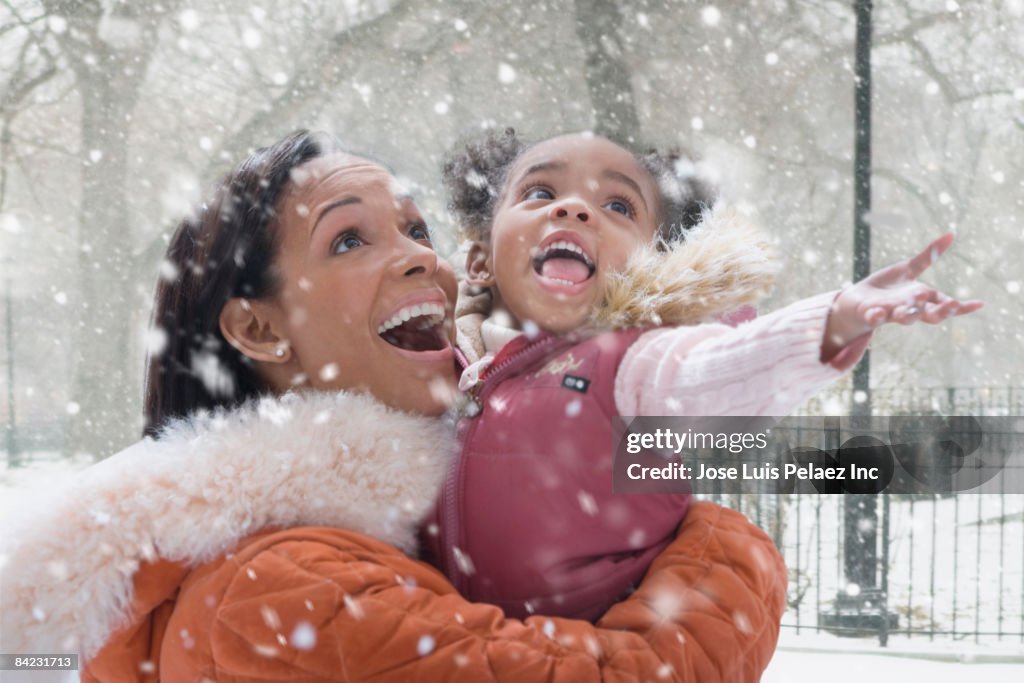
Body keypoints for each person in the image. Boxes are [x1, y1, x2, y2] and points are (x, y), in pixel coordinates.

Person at [1, 130, 788, 682]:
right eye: (349, 240)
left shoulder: (397, 527)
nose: (422, 256)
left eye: (417, 228)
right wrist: (725, 548)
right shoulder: (281, 587)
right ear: (259, 327)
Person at [430, 128, 983, 622]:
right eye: (541, 193)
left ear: (654, 260)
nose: (574, 208)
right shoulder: (431, 367)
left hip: (593, 649)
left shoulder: (632, 364)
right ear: (479, 260)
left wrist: (834, 320)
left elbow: (723, 372)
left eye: (618, 206)